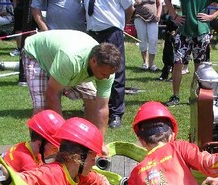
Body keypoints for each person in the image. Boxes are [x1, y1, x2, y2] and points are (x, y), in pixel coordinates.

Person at [22, 30, 121, 152]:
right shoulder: (72, 60)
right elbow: (52, 94)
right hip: (37, 55)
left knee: (92, 98)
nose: (107, 77)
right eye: (104, 73)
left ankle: (87, 144)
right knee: (41, 108)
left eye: (109, 74)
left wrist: (99, 143)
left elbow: (102, 107)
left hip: (63, 64)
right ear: (94, 61)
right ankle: (36, 151)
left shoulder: (107, 71)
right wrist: (64, 138)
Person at [163, 0, 218, 107]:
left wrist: (212, 17)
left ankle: (193, 95)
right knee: (177, 63)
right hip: (183, 31)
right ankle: (175, 96)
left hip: (201, 31)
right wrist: (174, 16)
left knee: (198, 67)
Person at [85, 0, 135, 129]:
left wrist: (120, 27)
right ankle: (94, 105)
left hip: (112, 32)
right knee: (93, 70)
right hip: (92, 33)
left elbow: (130, 9)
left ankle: (116, 113)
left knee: (116, 72)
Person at [133, 0, 163, 71]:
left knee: (153, 40)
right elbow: (134, 3)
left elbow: (159, 4)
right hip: (139, 17)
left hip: (153, 18)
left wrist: (158, 15)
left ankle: (151, 64)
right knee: (142, 39)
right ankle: (145, 63)